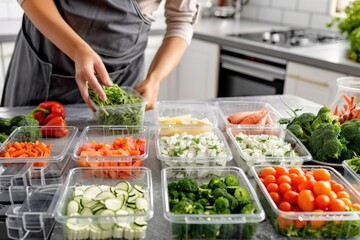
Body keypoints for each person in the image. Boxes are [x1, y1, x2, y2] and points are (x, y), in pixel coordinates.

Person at [1, 0, 199, 111]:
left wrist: (155, 78)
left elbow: (181, 19)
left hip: (121, 74)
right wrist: (77, 48)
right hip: (44, 59)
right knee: (25, 159)